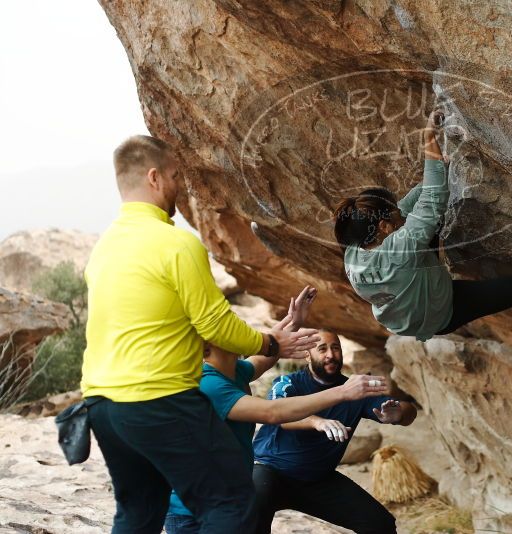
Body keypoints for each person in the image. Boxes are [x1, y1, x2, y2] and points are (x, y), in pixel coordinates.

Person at [81, 135, 319, 534]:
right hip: (159, 399)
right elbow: (215, 325)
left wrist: (273, 341)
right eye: (175, 176)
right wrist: (270, 342)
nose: (180, 186)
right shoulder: (175, 243)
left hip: (102, 406)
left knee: (138, 512)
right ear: (154, 178)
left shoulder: (104, 247)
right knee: (233, 503)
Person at [333, 110, 512, 342]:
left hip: (405, 309)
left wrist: (436, 171)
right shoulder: (400, 249)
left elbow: (407, 209)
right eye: (392, 215)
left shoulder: (355, 250)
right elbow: (431, 201)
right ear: (384, 228)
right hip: (439, 313)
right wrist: (428, 139)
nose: (399, 211)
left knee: (423, 223)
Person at [164, 287, 389, 534]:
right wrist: (343, 392)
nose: (244, 331)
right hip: (195, 513)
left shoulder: (234, 370)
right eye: (233, 330)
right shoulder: (210, 385)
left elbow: (267, 355)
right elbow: (273, 413)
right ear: (214, 343)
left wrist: (295, 322)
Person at [251, 329, 417, 533]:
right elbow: (280, 415)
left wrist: (399, 414)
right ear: (307, 355)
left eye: (335, 348)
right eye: (322, 349)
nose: (330, 355)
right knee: (252, 511)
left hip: (318, 480)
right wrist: (317, 422)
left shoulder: (355, 389)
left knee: (380, 525)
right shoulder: (288, 383)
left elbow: (409, 413)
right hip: (270, 471)